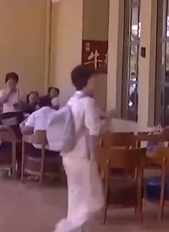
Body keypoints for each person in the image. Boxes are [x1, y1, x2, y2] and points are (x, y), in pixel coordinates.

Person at [53, 65, 106, 232]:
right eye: (93, 79)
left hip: (68, 153)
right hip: (83, 155)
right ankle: (69, 228)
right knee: (91, 197)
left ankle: (75, 227)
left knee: (76, 195)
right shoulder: (87, 102)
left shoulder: (71, 101)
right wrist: (103, 125)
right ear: (87, 80)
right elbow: (93, 129)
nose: (95, 82)